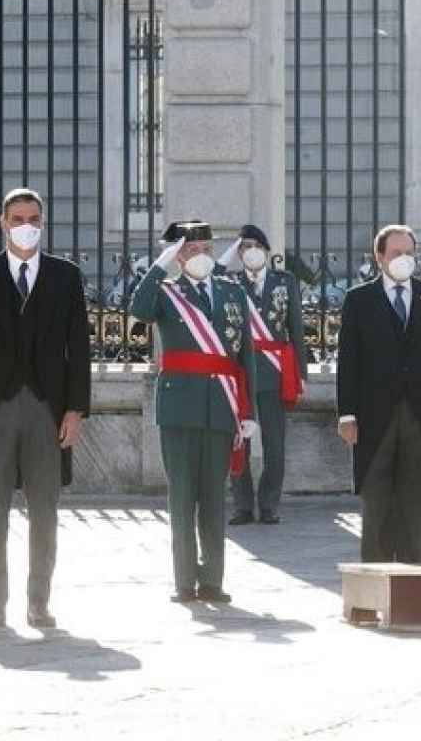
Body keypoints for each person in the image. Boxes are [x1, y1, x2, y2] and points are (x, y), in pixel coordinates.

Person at [0, 188, 92, 629]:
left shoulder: (66, 276)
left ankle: (39, 601)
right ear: (2, 222)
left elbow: (79, 347)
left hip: (47, 409)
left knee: (45, 512)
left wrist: (76, 410)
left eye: (33, 217)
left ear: (43, 222)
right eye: (17, 218)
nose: (25, 225)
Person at [131, 220, 259, 603]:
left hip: (222, 404)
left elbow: (245, 356)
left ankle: (213, 580)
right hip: (180, 407)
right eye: (189, 249)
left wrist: (247, 408)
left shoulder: (232, 292)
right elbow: (139, 310)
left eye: (204, 247)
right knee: (183, 497)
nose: (199, 255)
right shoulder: (167, 293)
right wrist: (161, 265)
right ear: (177, 254)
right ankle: (185, 581)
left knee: (214, 498)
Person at [335, 225, 421, 563]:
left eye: (409, 253)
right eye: (396, 253)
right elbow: (348, 361)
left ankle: (412, 584)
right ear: (379, 257)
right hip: (374, 417)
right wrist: (346, 415)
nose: (404, 259)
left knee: (415, 503)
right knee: (377, 504)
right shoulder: (359, 299)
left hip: (419, 413)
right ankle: (374, 584)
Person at [216, 224, 307, 526]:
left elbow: (296, 329)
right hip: (241, 375)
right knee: (239, 442)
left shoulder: (285, 281)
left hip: (273, 373)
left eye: (256, 245)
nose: (250, 251)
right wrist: (227, 254)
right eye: (244, 246)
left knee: (275, 445)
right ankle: (242, 505)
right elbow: (212, 276)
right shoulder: (228, 283)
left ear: (267, 251)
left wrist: (301, 374)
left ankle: (269, 504)